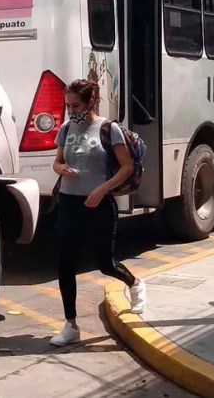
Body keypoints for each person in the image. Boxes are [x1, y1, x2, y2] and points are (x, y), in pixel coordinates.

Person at [49, 79, 146, 347]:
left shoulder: (108, 129)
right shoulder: (66, 128)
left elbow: (126, 167)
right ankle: (71, 325)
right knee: (65, 263)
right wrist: (61, 169)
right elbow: (56, 161)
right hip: (69, 202)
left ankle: (135, 283)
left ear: (91, 101)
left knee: (105, 263)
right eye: (68, 106)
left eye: (76, 105)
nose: (71, 111)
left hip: (99, 204)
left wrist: (102, 190)